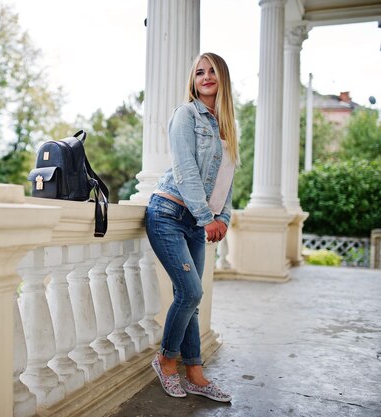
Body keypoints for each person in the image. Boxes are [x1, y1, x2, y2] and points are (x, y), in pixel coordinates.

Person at [146, 52, 237, 403]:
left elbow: (227, 179)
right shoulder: (186, 115)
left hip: (197, 221)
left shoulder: (226, 124)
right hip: (169, 213)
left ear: (223, 77)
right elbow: (184, 170)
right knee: (191, 293)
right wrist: (207, 217)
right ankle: (167, 362)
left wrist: (224, 217)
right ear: (193, 81)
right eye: (199, 72)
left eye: (212, 70)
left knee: (192, 301)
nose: (205, 76)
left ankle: (195, 374)